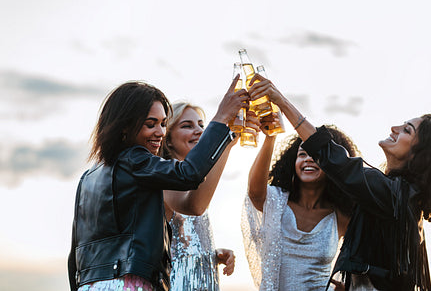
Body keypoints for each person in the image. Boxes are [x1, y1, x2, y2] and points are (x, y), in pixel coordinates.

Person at [247, 75, 431, 291]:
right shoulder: (399, 197)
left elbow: (332, 157)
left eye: (407, 130)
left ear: (418, 155)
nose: (395, 128)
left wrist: (281, 101)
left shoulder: (392, 194)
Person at [68, 78, 247, 291]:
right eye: (150, 124)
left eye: (163, 124)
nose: (160, 132)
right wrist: (221, 118)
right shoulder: (135, 159)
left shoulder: (88, 176)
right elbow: (189, 174)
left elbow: (75, 255)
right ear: (124, 126)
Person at [241, 111, 359, 290]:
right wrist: (270, 137)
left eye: (317, 155)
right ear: (292, 161)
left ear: (334, 164)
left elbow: (364, 261)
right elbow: (255, 192)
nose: (309, 159)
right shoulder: (277, 202)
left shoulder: (341, 217)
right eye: (302, 154)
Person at [161, 101, 236, 291]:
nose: (199, 131)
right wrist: (224, 145)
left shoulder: (194, 182)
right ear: (168, 139)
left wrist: (211, 254)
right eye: (187, 126)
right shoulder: (165, 176)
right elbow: (195, 207)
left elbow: (185, 241)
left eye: (201, 125)